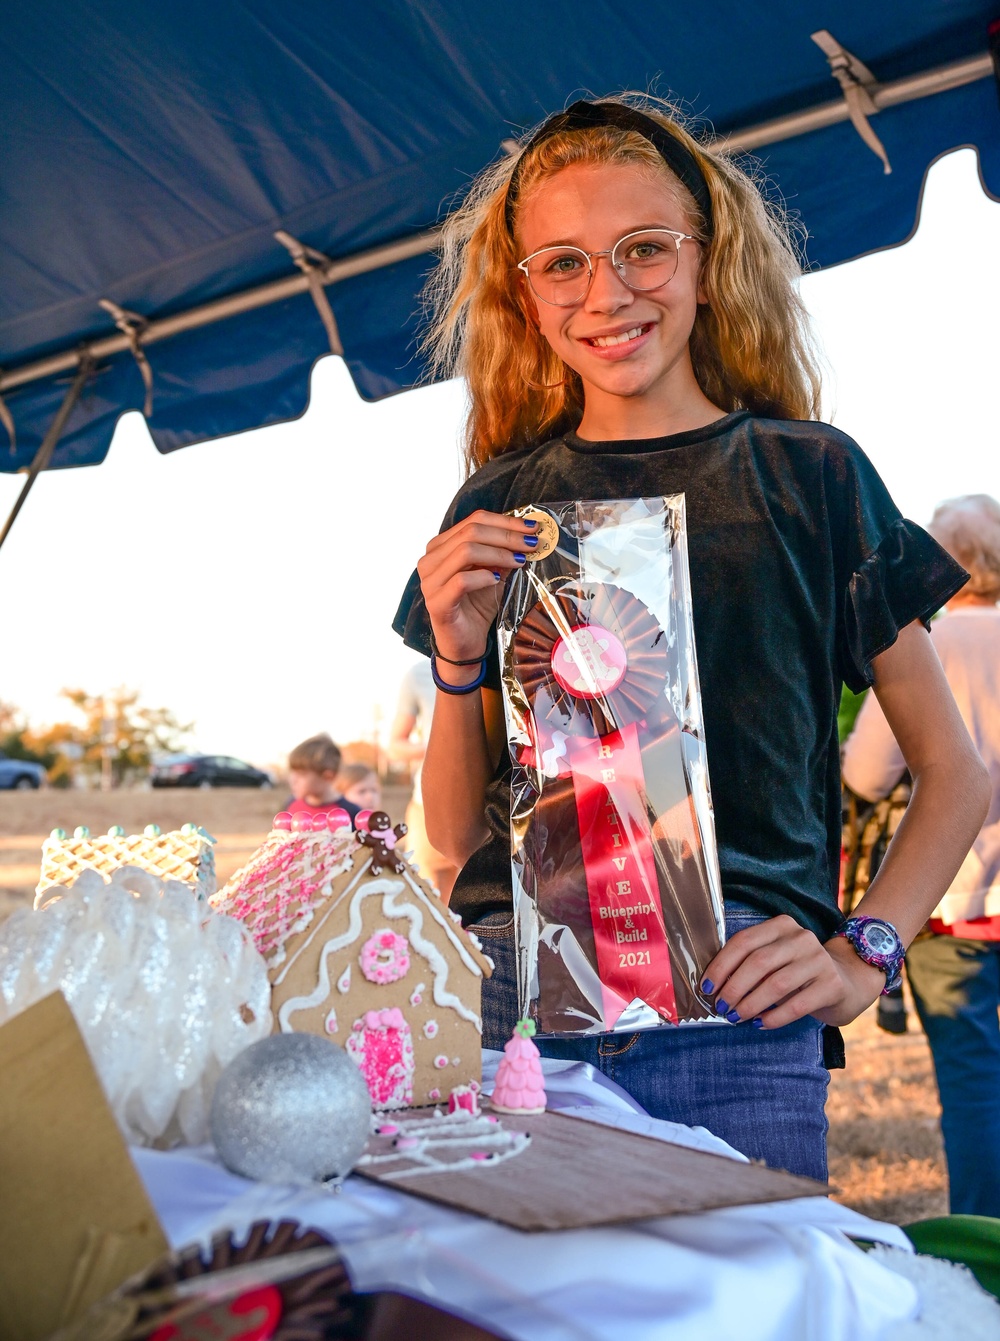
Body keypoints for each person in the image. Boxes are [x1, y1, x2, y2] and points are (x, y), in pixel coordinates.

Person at [392, 95, 990, 1181]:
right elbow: (445, 838)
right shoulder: (496, 502)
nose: (607, 292)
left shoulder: (812, 475)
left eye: (644, 250)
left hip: (737, 1009)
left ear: (709, 264)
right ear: (523, 296)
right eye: (562, 263)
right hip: (505, 1006)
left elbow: (955, 771)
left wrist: (864, 954)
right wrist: (454, 656)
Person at [843, 494, 1000, 1215]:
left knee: (974, 1087)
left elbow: (864, 773)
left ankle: (986, 1243)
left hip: (958, 904)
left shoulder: (927, 649)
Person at [389, 660, 457, 899]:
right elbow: (396, 744)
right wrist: (438, 747)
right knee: (422, 899)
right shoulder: (418, 673)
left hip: (491, 803)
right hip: (428, 805)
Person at [285, 733, 360, 823]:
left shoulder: (351, 813)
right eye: (292, 772)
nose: (293, 780)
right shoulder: (291, 805)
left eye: (301, 774)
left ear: (328, 776)